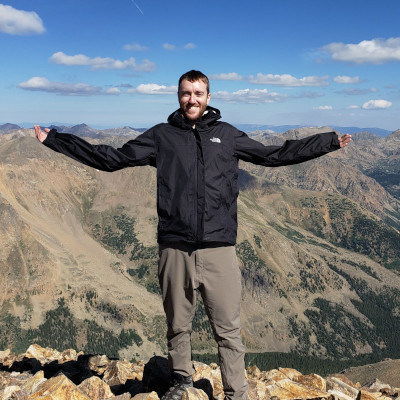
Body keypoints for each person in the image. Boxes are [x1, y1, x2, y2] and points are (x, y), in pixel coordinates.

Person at [34, 70, 351, 400]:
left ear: (209, 97)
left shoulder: (227, 135)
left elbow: (274, 154)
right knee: (177, 326)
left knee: (227, 331)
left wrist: (326, 143)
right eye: (186, 93)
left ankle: (236, 394)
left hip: (219, 250)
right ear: (178, 96)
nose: (192, 99)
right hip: (175, 249)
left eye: (198, 93)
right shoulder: (162, 136)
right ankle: (182, 383)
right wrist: (56, 140)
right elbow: (112, 158)